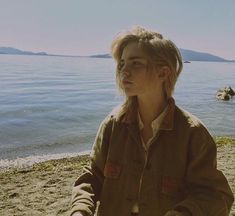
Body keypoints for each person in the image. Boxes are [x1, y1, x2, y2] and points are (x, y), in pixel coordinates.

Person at [70, 26, 234, 216]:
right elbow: (91, 176)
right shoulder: (113, 124)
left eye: (136, 63)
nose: (124, 71)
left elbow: (216, 195)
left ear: (163, 73)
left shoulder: (193, 134)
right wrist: (80, 210)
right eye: (122, 63)